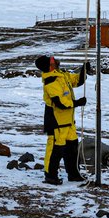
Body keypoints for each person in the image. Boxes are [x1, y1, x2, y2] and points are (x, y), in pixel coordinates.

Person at [35, 54, 88, 185]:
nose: (54, 59)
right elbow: (60, 103)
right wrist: (77, 103)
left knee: (72, 150)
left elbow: (77, 81)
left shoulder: (61, 75)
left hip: (68, 122)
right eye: (52, 60)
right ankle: (50, 176)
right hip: (57, 122)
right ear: (50, 66)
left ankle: (74, 174)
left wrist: (84, 71)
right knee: (55, 150)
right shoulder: (51, 82)